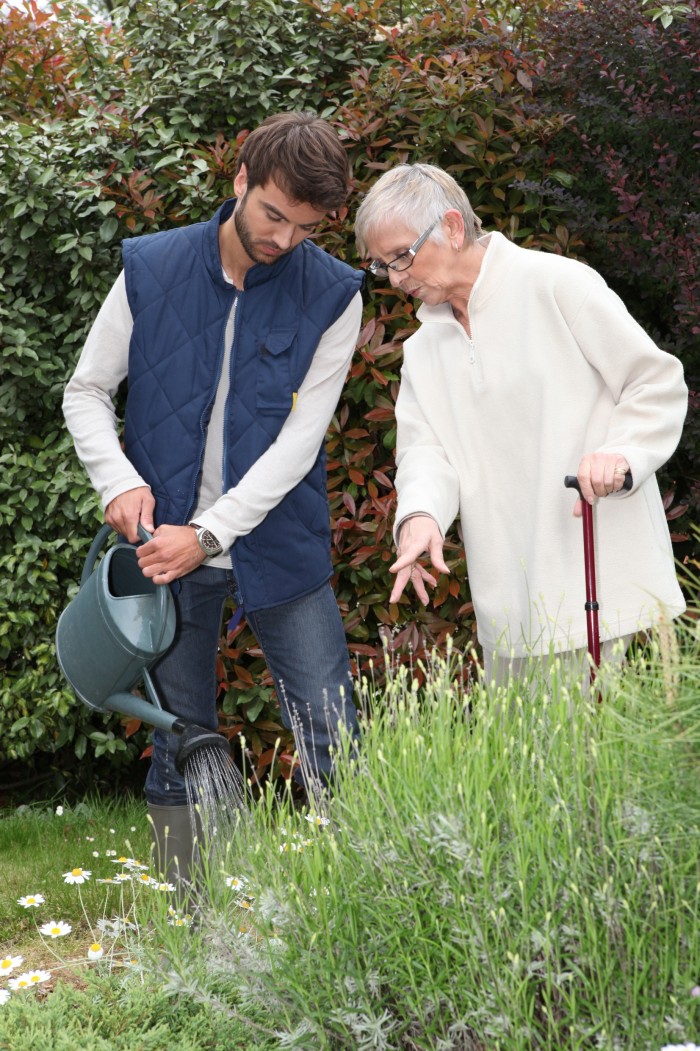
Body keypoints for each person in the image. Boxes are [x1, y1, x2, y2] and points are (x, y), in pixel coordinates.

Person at [63, 112, 364, 881]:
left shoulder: (335, 294)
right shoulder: (151, 267)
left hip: (280, 547)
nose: (285, 240)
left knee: (334, 735)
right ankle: (191, 931)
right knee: (180, 737)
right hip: (165, 549)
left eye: (306, 226)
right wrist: (119, 481)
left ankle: (367, 911)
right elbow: (87, 391)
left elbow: (299, 445)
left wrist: (212, 530)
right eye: (273, 215)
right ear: (240, 181)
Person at [354, 162, 687, 687]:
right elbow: (426, 452)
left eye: (402, 256)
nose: (396, 278)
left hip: (603, 585)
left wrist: (622, 452)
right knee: (528, 764)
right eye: (382, 265)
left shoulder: (558, 285)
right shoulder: (423, 349)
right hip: (507, 605)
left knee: (593, 762)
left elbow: (655, 382)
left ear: (454, 227)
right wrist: (420, 517)